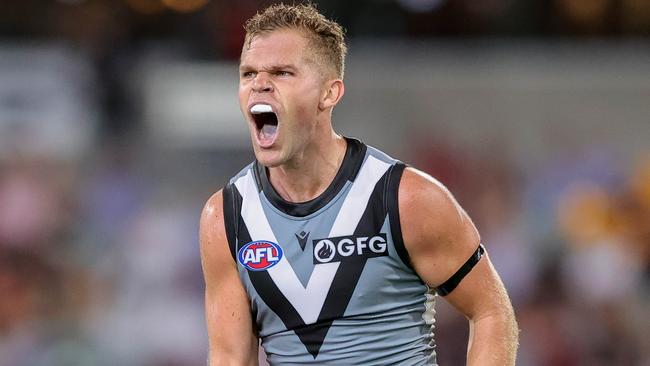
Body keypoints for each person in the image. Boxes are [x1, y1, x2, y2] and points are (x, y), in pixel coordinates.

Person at [199, 3, 518, 365]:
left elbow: (491, 310)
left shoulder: (404, 199)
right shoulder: (224, 217)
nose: (259, 84)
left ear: (329, 93)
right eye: (248, 73)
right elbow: (229, 356)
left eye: (282, 72)